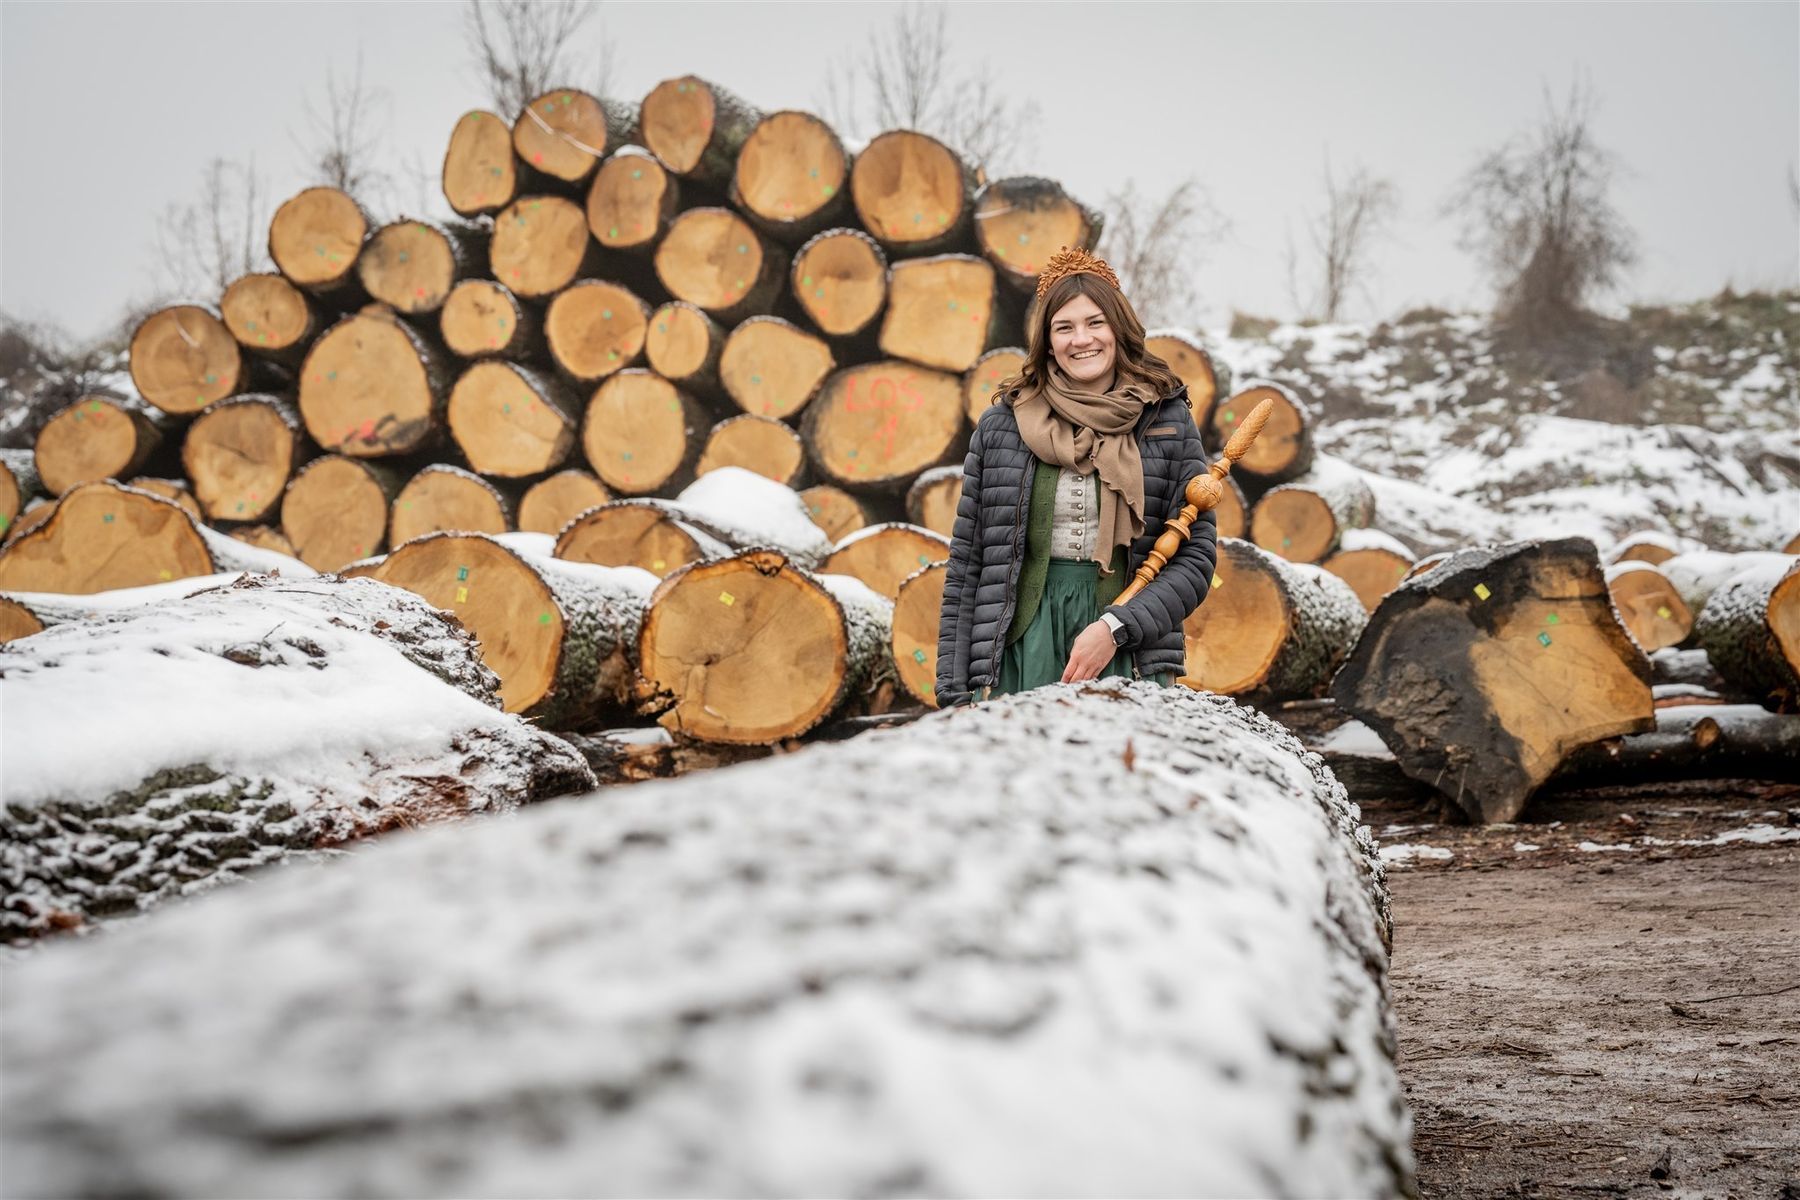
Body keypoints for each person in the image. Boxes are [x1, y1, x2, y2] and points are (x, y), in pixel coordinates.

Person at [935, 246, 1217, 706]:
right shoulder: (1004, 425)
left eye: (1094, 322)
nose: (1080, 339)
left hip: (1131, 647)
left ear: (1117, 328)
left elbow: (1195, 560)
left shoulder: (1165, 420)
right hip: (1021, 647)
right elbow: (968, 567)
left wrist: (1116, 628)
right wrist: (953, 689)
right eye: (1064, 327)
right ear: (1047, 341)